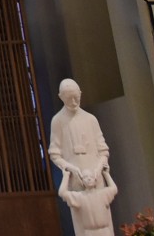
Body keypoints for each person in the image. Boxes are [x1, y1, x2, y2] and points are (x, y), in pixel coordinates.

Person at [48, 79, 116, 236]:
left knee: (104, 221)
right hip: (77, 180)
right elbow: (55, 153)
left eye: (76, 97)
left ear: (80, 94)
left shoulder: (90, 119)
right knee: (83, 224)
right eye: (69, 98)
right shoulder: (58, 121)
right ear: (61, 97)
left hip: (96, 177)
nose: (73, 102)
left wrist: (99, 168)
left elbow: (103, 150)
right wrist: (71, 168)